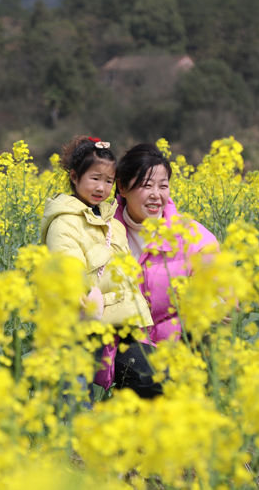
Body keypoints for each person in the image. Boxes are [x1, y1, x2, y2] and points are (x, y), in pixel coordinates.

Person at [39, 136, 162, 399]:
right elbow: (67, 265)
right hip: (81, 322)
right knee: (75, 397)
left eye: (108, 181)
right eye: (94, 178)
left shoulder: (111, 221)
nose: (101, 187)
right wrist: (86, 294)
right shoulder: (64, 222)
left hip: (116, 324)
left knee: (156, 376)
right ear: (74, 176)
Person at [115, 143, 220, 344]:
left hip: (180, 347)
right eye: (146, 185)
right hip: (128, 351)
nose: (156, 195)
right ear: (122, 187)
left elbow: (217, 285)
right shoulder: (105, 233)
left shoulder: (191, 235)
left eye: (163, 186)